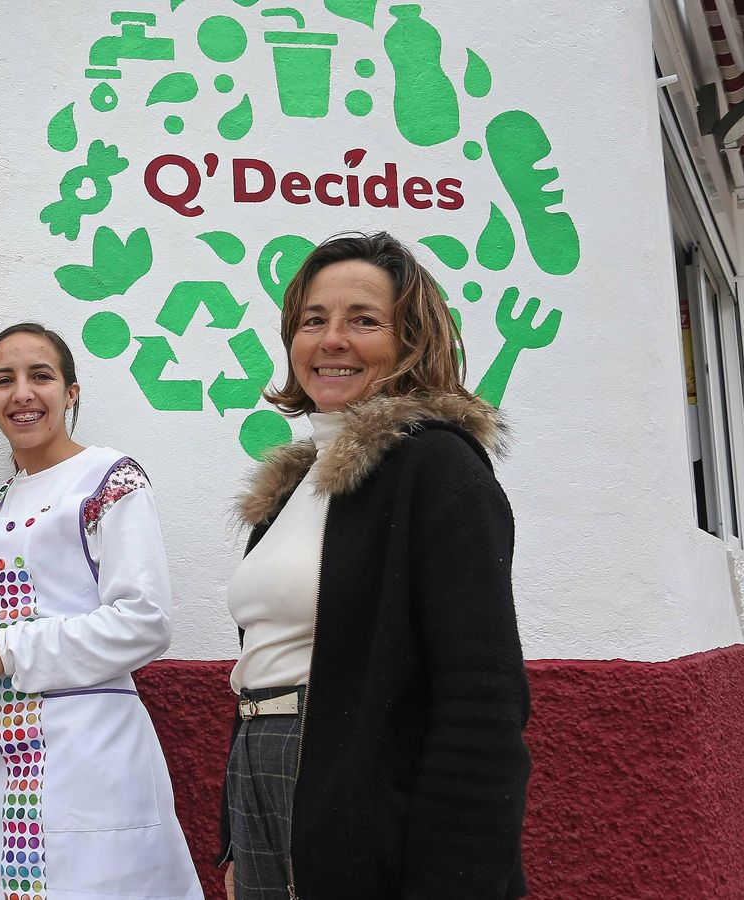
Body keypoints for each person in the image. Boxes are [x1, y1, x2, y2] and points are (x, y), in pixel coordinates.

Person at [219, 232, 531, 898]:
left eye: (363, 320)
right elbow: (265, 660)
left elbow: (482, 696)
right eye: (313, 321)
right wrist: (234, 836)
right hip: (261, 778)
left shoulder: (438, 468)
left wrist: (454, 883)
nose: (331, 340)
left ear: (411, 340)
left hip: (359, 801)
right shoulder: (293, 487)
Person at [0, 322, 203, 900]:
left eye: (41, 376)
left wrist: (3, 649)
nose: (22, 393)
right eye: (4, 380)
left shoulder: (109, 478)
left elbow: (144, 620)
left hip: (91, 763)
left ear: (71, 392)